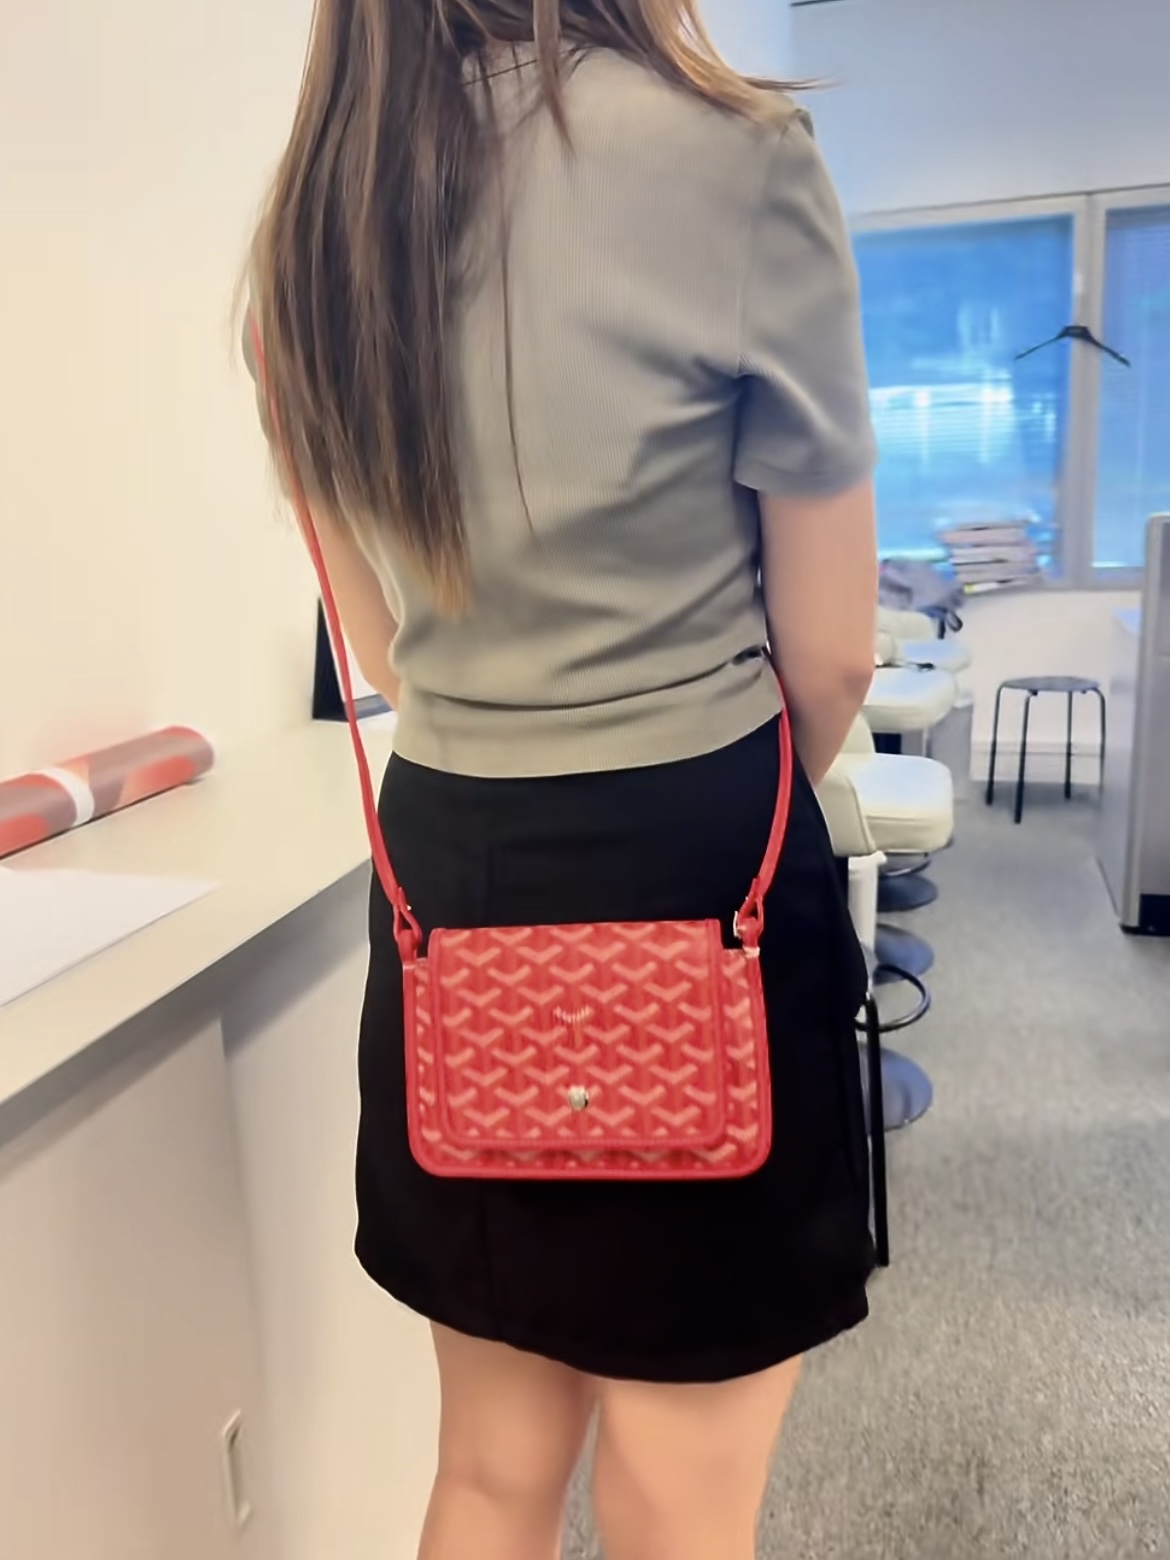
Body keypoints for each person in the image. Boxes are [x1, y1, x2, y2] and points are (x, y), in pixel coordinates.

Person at [244, 2, 879, 1556]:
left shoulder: (314, 219)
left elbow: (381, 644)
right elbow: (830, 658)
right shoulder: (735, 157)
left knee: (490, 1464)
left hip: (452, 871)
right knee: (679, 1485)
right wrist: (725, 819)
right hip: (699, 860)